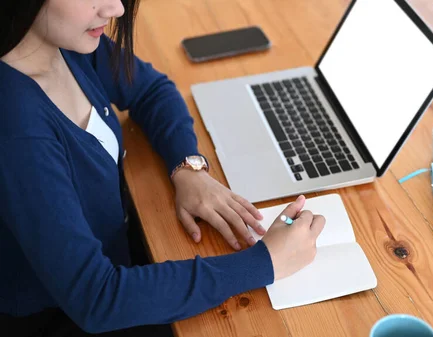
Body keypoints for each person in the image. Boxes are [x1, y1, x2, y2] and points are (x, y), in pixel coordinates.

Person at [0, 0, 325, 336]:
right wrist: (264, 262)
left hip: (121, 257)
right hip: (67, 317)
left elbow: (152, 90)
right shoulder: (17, 127)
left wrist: (188, 168)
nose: (116, 9)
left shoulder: (62, 43)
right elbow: (97, 298)